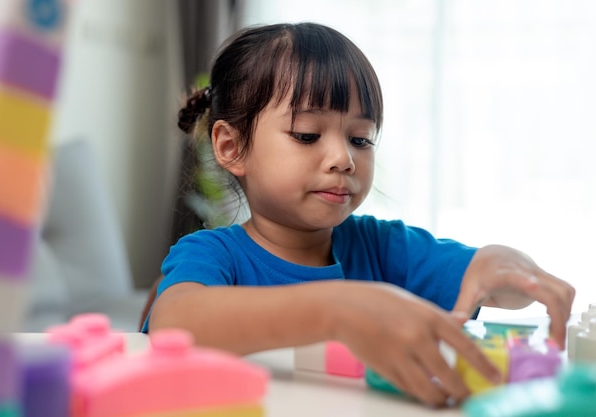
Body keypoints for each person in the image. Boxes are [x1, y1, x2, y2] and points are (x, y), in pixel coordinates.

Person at [143, 22, 575, 407]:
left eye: (361, 139)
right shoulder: (213, 254)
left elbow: (489, 281)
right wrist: (336, 311)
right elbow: (175, 323)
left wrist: (508, 267)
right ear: (231, 147)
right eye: (307, 135)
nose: (343, 158)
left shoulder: (385, 248)